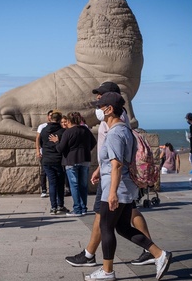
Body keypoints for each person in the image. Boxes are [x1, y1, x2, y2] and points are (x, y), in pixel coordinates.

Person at [65, 82, 155, 267]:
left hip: (114, 178)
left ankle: (94, 258)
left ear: (110, 103)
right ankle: (151, 250)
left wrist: (111, 188)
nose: (98, 101)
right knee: (124, 217)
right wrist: (99, 168)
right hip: (111, 174)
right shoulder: (116, 118)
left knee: (104, 219)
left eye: (101, 97)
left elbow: (116, 156)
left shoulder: (115, 121)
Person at [85, 92, 172, 281]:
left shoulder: (115, 132)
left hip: (116, 187)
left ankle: (107, 271)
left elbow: (117, 164)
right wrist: (100, 171)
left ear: (109, 109)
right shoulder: (125, 129)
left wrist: (112, 193)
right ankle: (159, 254)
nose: (97, 110)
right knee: (123, 228)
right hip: (125, 186)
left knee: (106, 227)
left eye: (100, 107)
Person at [51, 112, 96, 216]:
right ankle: (83, 208)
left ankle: (77, 209)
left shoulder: (68, 132)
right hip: (85, 160)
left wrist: (56, 142)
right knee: (83, 185)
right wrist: (85, 149)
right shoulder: (86, 130)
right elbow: (93, 142)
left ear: (69, 121)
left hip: (71, 161)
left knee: (74, 186)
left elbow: (60, 149)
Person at [39, 111, 68, 215]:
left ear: (50, 119)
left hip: (46, 160)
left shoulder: (44, 130)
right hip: (58, 160)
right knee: (60, 183)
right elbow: (64, 146)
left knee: (52, 183)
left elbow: (41, 143)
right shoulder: (63, 131)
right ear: (60, 119)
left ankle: (53, 207)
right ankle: (60, 205)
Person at [35, 110, 53, 198]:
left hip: (55, 153)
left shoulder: (59, 126)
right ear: (47, 116)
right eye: (50, 115)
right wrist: (38, 151)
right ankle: (44, 190)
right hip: (44, 152)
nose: (51, 116)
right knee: (43, 172)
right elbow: (37, 139)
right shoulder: (42, 126)